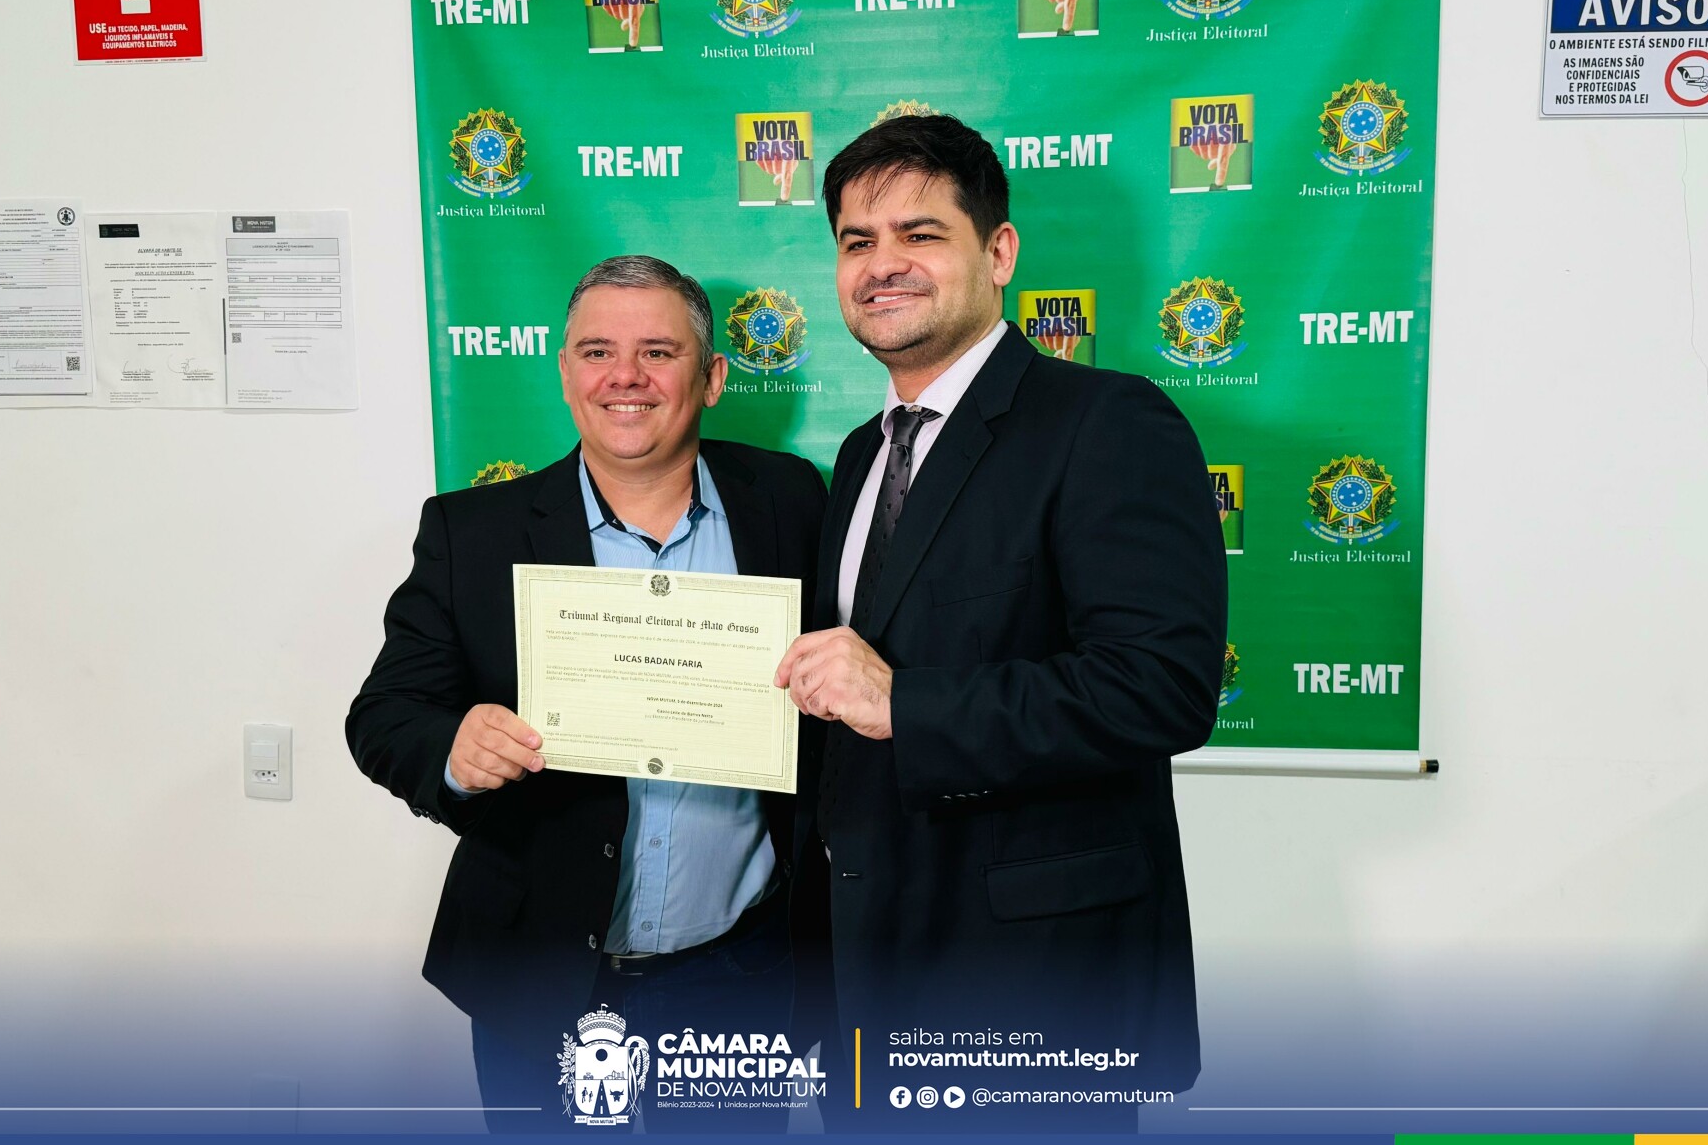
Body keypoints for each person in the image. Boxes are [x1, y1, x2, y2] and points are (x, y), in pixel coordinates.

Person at [773, 115, 1228, 1116]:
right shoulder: (860, 455)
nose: (883, 265)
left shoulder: (1107, 422)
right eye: (857, 241)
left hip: (1034, 985)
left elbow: (1162, 688)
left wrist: (904, 703)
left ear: (999, 253)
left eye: (921, 234)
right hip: (864, 979)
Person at [348, 255, 826, 1133]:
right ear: (566, 372)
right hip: (542, 972)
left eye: (659, 353)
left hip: (737, 974)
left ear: (714, 378)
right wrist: (451, 749)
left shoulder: (790, 501)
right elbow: (383, 716)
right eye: (598, 351)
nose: (625, 377)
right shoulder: (473, 532)